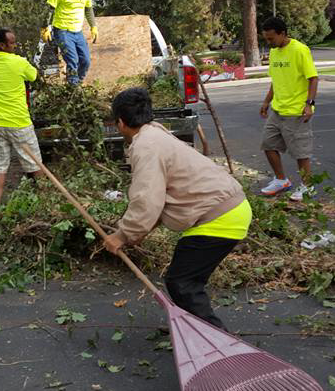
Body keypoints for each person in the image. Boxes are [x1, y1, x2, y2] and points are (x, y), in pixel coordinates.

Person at [102, 88, 251, 330]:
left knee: (183, 282)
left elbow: (146, 199)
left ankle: (216, 339)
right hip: (228, 208)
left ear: (120, 122)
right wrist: (141, 232)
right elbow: (162, 196)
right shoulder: (155, 134)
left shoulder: (146, 147)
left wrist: (122, 235)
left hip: (218, 217)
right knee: (184, 278)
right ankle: (190, 326)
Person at [0, 29, 43, 204]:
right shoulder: (18, 62)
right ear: (2, 45)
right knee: (34, 163)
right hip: (19, 123)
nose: (15, 46)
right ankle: (46, 199)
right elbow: (34, 76)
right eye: (12, 43)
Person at [258, 16, 319, 201]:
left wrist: (309, 104)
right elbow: (275, 81)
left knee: (300, 152)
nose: (269, 42)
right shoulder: (275, 53)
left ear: (282, 33)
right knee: (268, 145)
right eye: (266, 39)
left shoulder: (300, 50)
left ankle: (308, 187)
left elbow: (313, 78)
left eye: (271, 38)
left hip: (297, 111)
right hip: (278, 110)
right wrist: (266, 101)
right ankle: (281, 180)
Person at [42, 0, 99, 85]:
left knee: (85, 61)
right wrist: (45, 28)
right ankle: (73, 90)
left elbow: (88, 9)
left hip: (78, 32)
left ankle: (76, 84)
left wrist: (93, 26)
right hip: (62, 31)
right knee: (73, 61)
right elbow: (49, 9)